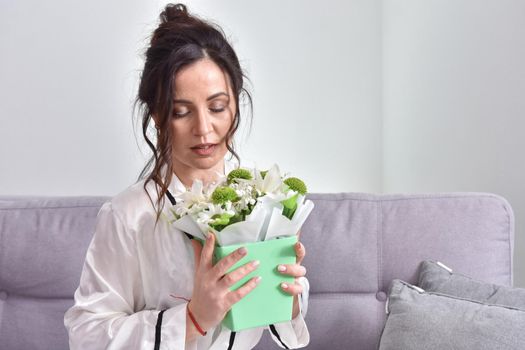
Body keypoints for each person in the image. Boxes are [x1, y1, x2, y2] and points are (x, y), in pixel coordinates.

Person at [64, 3, 310, 349]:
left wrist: (287, 294)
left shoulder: (263, 204)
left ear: (235, 104)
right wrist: (193, 318)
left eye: (217, 107)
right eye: (181, 111)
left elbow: (284, 329)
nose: (204, 129)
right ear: (158, 116)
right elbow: (85, 335)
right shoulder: (128, 216)